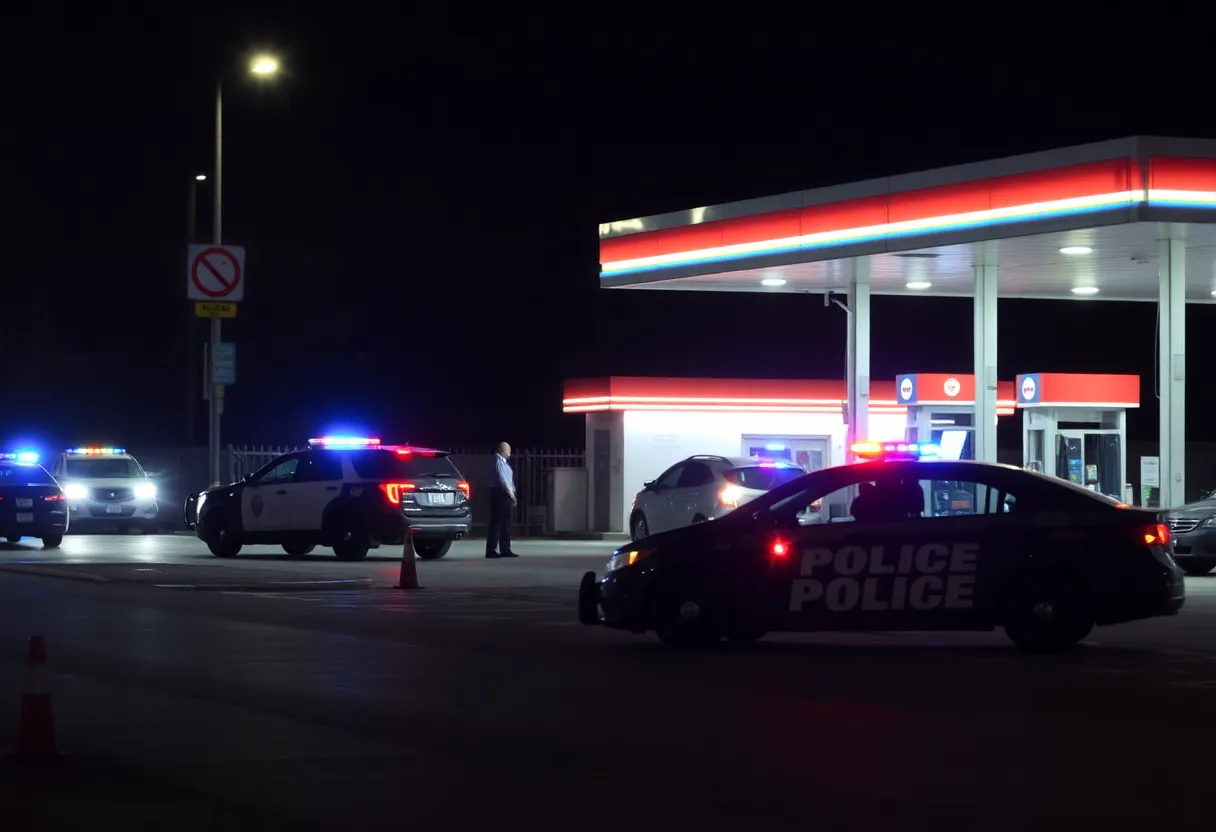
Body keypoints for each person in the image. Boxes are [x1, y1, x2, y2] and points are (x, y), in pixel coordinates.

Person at [486, 442, 518, 558]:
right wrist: (512, 495)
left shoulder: (502, 462)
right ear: (503, 450)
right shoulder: (498, 462)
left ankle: (505, 548)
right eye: (508, 451)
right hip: (501, 494)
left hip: (505, 494)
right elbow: (503, 481)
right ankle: (492, 550)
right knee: (497, 523)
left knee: (505, 524)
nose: (510, 453)